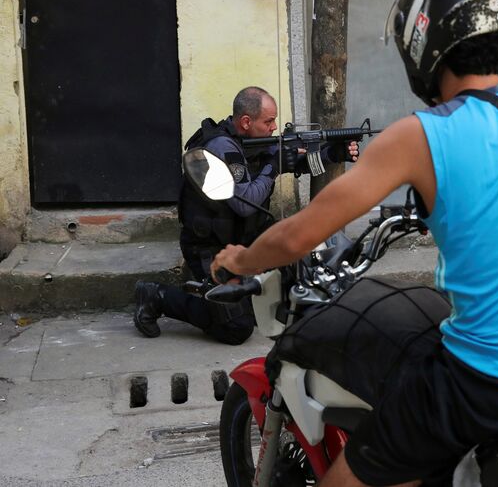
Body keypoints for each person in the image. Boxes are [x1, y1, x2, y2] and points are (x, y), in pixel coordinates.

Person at [212, 0, 498, 487]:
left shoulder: (422, 134)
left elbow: (299, 232)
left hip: (492, 383)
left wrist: (240, 258)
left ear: (425, 46)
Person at [133, 86, 359, 345]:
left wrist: (332, 154)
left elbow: (294, 161)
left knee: (296, 249)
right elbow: (245, 204)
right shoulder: (222, 147)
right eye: (269, 121)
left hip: (245, 237)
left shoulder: (253, 141)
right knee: (236, 328)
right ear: (246, 121)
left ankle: (250, 298)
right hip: (211, 248)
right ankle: (158, 296)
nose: (274, 127)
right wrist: (274, 168)